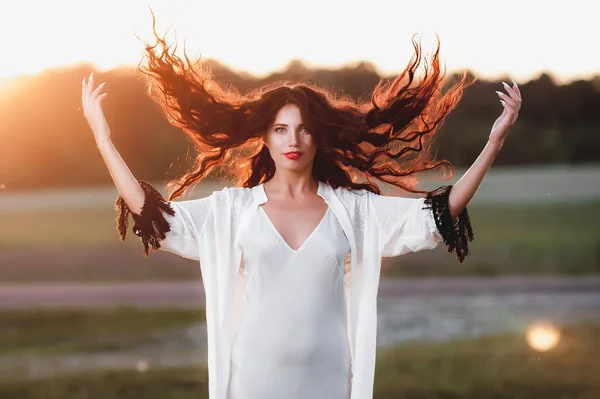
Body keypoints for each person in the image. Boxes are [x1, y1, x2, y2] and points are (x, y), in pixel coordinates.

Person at [81, 30, 521, 399]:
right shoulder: (232, 210)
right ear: (266, 139)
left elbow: (437, 215)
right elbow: (153, 216)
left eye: (305, 128)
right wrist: (102, 139)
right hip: (252, 379)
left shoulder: (354, 211)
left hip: (329, 380)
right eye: (281, 129)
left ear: (319, 137)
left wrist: (495, 142)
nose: (294, 139)